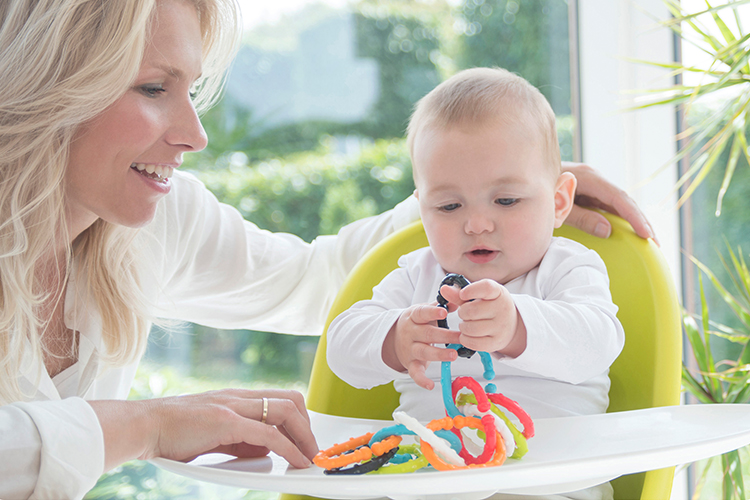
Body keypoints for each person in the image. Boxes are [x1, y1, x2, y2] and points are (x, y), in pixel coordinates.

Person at [0, 1, 652, 498]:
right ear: (51, 80)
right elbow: (349, 328)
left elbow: (315, 279)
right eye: (152, 88)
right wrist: (146, 425)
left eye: (191, 92)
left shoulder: (155, 221)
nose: (196, 135)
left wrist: (487, 192)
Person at [327, 68, 626, 500]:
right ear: (422, 210)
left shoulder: (568, 267)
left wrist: (517, 326)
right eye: (449, 206)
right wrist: (395, 338)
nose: (477, 224)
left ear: (559, 201)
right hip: (430, 487)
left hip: (548, 489)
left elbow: (598, 343)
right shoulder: (416, 276)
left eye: (506, 200)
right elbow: (340, 348)